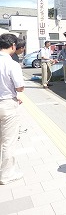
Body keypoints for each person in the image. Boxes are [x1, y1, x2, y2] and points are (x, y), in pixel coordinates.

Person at [0, 33, 25, 185]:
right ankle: (6, 175)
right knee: (8, 141)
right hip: (7, 104)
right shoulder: (12, 64)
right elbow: (19, 86)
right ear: (13, 46)